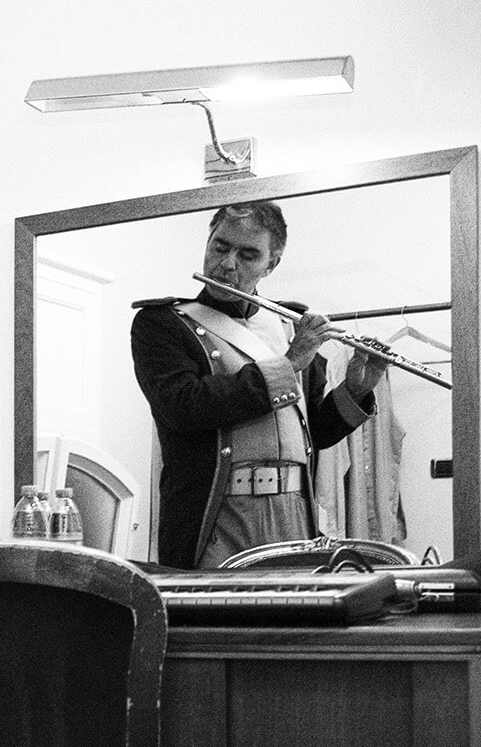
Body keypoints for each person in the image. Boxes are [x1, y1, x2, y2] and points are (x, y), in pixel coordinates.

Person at [131, 201, 388, 569]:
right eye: (220, 247)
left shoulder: (289, 324)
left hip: (294, 513)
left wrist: (355, 391)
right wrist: (288, 364)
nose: (227, 265)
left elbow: (312, 431)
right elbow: (182, 407)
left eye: (248, 255)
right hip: (218, 517)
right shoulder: (163, 324)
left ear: (272, 263)